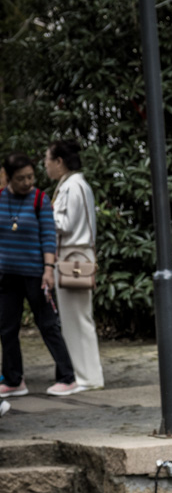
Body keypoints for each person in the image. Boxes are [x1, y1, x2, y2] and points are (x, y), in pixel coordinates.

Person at [0, 151, 80, 398]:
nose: (27, 183)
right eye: (21, 178)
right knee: (7, 328)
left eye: (31, 177)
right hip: (6, 275)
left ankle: (68, 377)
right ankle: (14, 379)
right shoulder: (1, 199)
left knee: (47, 324)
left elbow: (48, 236)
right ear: (9, 177)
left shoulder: (39, 199)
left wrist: (49, 270)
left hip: (35, 274)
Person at [46, 140, 103, 390]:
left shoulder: (72, 186)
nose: (46, 165)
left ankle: (87, 377)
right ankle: (86, 376)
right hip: (76, 254)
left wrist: (44, 217)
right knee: (78, 319)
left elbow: (64, 224)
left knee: (77, 319)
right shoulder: (75, 185)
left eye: (48, 160)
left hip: (72, 255)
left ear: (59, 161)